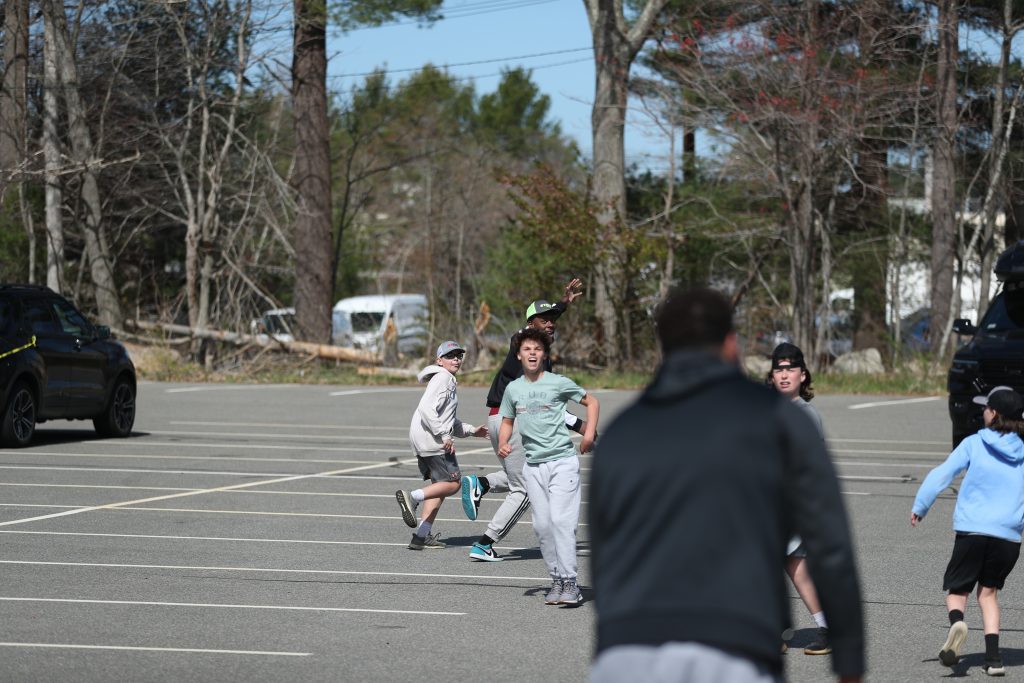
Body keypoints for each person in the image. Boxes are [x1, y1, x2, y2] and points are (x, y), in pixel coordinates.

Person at [589, 288, 864, 683]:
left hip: (628, 649)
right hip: (733, 644)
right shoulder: (778, 419)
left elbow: (605, 555)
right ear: (732, 344)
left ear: (663, 347)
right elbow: (831, 541)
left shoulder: (621, 432)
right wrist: (849, 659)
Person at [461, 278, 590, 562]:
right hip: (513, 423)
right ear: (531, 324)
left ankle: (481, 484)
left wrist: (562, 305)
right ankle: (484, 544)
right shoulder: (526, 347)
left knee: (524, 475)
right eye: (545, 320)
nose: (551, 324)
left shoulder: (538, 353)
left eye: (553, 320)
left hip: (499, 420)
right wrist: (583, 428)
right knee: (527, 489)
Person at [911, 385, 1024, 676]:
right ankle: (994, 660)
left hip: (973, 531)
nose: (982, 411)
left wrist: (921, 505)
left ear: (994, 414)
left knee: (957, 591)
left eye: (986, 407)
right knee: (988, 594)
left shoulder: (974, 443)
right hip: (1008, 538)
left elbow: (942, 474)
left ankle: (957, 624)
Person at [497, 327, 598, 605]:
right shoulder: (513, 388)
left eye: (537, 349)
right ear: (519, 355)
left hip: (562, 463)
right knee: (542, 527)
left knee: (562, 523)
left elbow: (592, 402)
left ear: (544, 355)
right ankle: (557, 580)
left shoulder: (558, 383)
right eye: (527, 349)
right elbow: (506, 420)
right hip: (533, 466)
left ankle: (570, 583)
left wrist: (589, 435)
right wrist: (503, 442)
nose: (532, 353)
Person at [766, 342, 831, 656]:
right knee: (790, 568)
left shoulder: (805, 414)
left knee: (789, 567)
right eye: (778, 369)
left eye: (790, 368)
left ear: (803, 375)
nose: (784, 374)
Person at [395, 340, 488, 550]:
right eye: (450, 356)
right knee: (454, 483)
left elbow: (447, 419)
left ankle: (421, 536)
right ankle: (412, 497)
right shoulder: (443, 378)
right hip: (433, 440)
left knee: (438, 488)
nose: (456, 359)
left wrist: (472, 430)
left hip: (424, 439)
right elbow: (426, 409)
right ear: (439, 360)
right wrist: (445, 435)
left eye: (459, 356)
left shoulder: (445, 379)